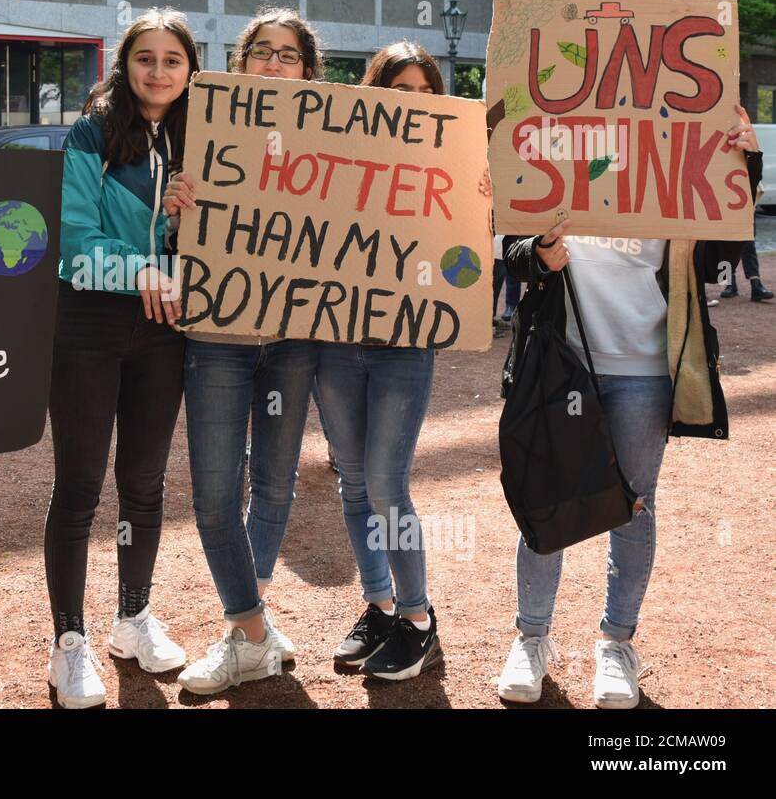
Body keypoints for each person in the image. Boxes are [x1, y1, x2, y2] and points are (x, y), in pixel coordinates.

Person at [496, 107, 760, 708]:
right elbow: (510, 245)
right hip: (564, 363)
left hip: (644, 369)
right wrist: (538, 254)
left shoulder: (676, 163)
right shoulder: (551, 151)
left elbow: (723, 241)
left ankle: (616, 644)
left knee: (634, 504)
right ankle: (531, 637)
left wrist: (744, 161)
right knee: (546, 490)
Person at [162, 8, 322, 695]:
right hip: (218, 336)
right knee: (214, 494)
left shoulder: (334, 137)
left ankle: (243, 630)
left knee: (277, 486)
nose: (275, 65)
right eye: (263, 51)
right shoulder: (202, 128)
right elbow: (163, 242)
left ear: (309, 71)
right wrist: (171, 209)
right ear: (241, 60)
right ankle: (254, 629)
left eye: (289, 55)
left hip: (294, 339)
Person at [44, 8, 199, 708]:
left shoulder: (205, 138)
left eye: (172, 59)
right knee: (79, 486)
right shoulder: (92, 131)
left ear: (191, 68)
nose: (158, 71)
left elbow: (211, 243)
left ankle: (132, 618)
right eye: (146, 58)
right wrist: (144, 268)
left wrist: (183, 216)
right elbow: (74, 240)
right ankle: (69, 643)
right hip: (88, 323)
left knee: (144, 481)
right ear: (125, 62)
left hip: (163, 328)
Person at [314, 42, 447, 681]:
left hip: (405, 343)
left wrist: (479, 201)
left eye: (426, 94)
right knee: (355, 483)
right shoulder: (341, 157)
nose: (413, 104)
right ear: (374, 96)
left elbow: (476, 256)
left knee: (388, 484)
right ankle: (379, 605)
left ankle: (418, 620)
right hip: (337, 339)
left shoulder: (453, 167)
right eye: (401, 92)